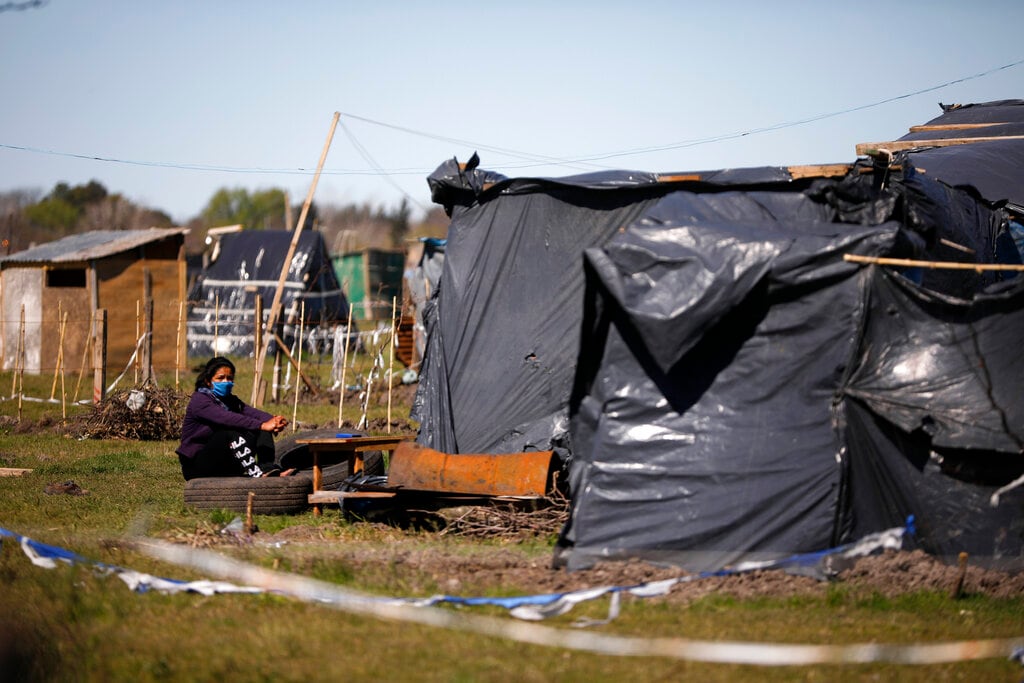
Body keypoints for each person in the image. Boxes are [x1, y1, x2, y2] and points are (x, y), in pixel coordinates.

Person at [176, 356, 293, 481]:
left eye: (229, 378)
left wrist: (274, 420)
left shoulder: (230, 400)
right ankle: (258, 474)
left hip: (224, 462)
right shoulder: (200, 401)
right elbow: (226, 418)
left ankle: (267, 469)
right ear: (208, 381)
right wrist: (262, 425)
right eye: (220, 378)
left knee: (262, 426)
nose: (226, 382)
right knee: (228, 434)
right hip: (197, 465)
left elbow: (252, 413)